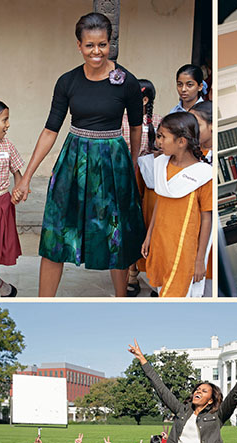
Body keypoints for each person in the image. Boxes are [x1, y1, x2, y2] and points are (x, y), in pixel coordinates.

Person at [12, 12, 146, 297]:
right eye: (90, 45)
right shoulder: (67, 82)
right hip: (74, 162)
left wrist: (132, 166)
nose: (96, 52)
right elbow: (50, 130)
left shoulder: (128, 82)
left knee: (116, 235)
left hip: (113, 162)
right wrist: (26, 178)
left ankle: (121, 301)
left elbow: (136, 127)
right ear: (79, 45)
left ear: (109, 43)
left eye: (102, 45)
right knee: (56, 233)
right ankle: (43, 302)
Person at [137, 112, 213, 297]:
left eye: (163, 137)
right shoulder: (161, 164)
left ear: (181, 141)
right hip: (162, 244)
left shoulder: (203, 175)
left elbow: (206, 218)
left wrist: (199, 259)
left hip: (184, 249)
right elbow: (160, 203)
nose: (158, 142)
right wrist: (149, 236)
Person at [124, 79, 162, 296]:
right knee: (131, 226)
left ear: (145, 99)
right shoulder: (121, 121)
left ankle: (156, 276)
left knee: (151, 226)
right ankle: (132, 274)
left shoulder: (158, 121)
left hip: (151, 182)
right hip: (128, 177)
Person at [0, 97, 24, 298]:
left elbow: (17, 172)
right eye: (4, 120)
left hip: (0, 206)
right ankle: (3, 288)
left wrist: (19, 188)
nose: (7, 125)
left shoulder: (6, 145)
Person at [189, 100, 214, 296]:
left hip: (207, 239)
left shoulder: (211, 158)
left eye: (196, 124)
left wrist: (199, 259)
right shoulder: (192, 155)